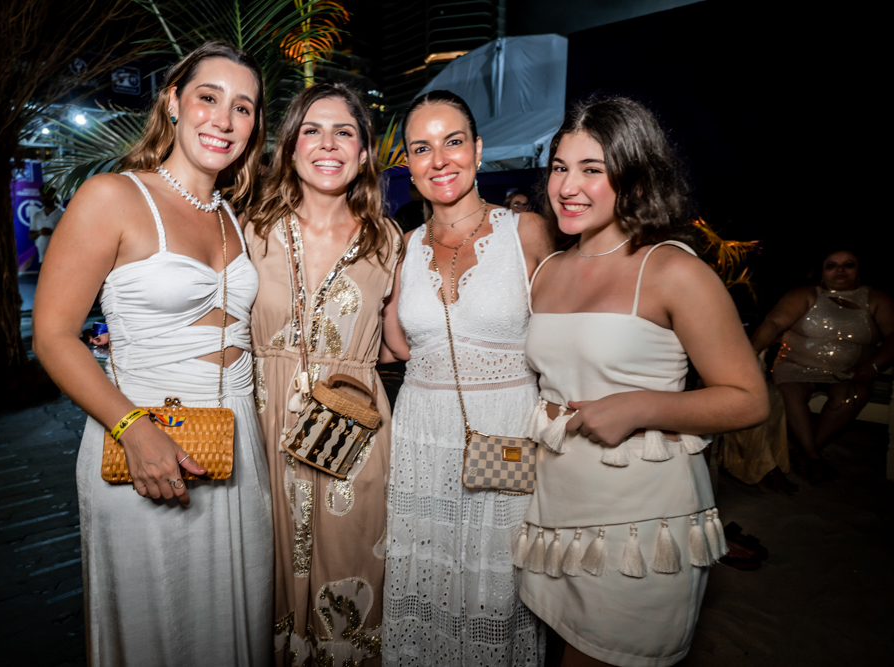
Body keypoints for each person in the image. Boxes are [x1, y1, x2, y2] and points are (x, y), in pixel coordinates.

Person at [31, 42, 273, 666]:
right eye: (208, 98)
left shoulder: (234, 215)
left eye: (242, 107)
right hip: (146, 436)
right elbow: (54, 336)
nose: (223, 119)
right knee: (157, 628)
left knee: (233, 629)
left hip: (236, 442)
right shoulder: (112, 196)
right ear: (172, 102)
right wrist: (134, 430)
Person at [517, 97, 769, 667]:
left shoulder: (674, 270)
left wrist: (640, 406)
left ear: (634, 178)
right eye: (559, 167)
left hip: (640, 520)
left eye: (592, 170)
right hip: (554, 505)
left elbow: (749, 398)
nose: (567, 186)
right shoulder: (549, 271)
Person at [381, 90, 555, 666]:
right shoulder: (406, 247)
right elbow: (399, 344)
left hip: (506, 432)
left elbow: (561, 339)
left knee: (500, 579)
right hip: (423, 435)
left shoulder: (525, 232)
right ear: (408, 163)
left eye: (453, 141)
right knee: (428, 576)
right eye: (421, 148)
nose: (440, 160)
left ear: (478, 150)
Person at [245, 82, 401, 666]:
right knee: (264, 577)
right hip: (261, 430)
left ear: (363, 153)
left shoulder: (388, 241)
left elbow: (402, 344)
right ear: (289, 148)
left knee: (353, 576)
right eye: (312, 129)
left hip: (354, 435)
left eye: (345, 132)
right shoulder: (248, 232)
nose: (327, 143)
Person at [749, 248, 894, 483]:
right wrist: (750, 354)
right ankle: (814, 457)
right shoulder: (806, 294)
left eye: (848, 264)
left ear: (860, 270)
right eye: (832, 265)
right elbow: (774, 323)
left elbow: (893, 337)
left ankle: (806, 451)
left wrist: (873, 367)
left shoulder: (877, 299)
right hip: (795, 366)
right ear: (821, 272)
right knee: (789, 393)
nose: (840, 270)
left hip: (848, 373)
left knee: (855, 396)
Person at [29, 184, 63, 264]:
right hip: (43, 259)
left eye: (48, 194)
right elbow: (31, 236)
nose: (45, 197)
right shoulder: (37, 215)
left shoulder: (63, 213)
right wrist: (40, 232)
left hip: (60, 258)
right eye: (43, 195)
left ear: (54, 196)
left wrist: (53, 232)